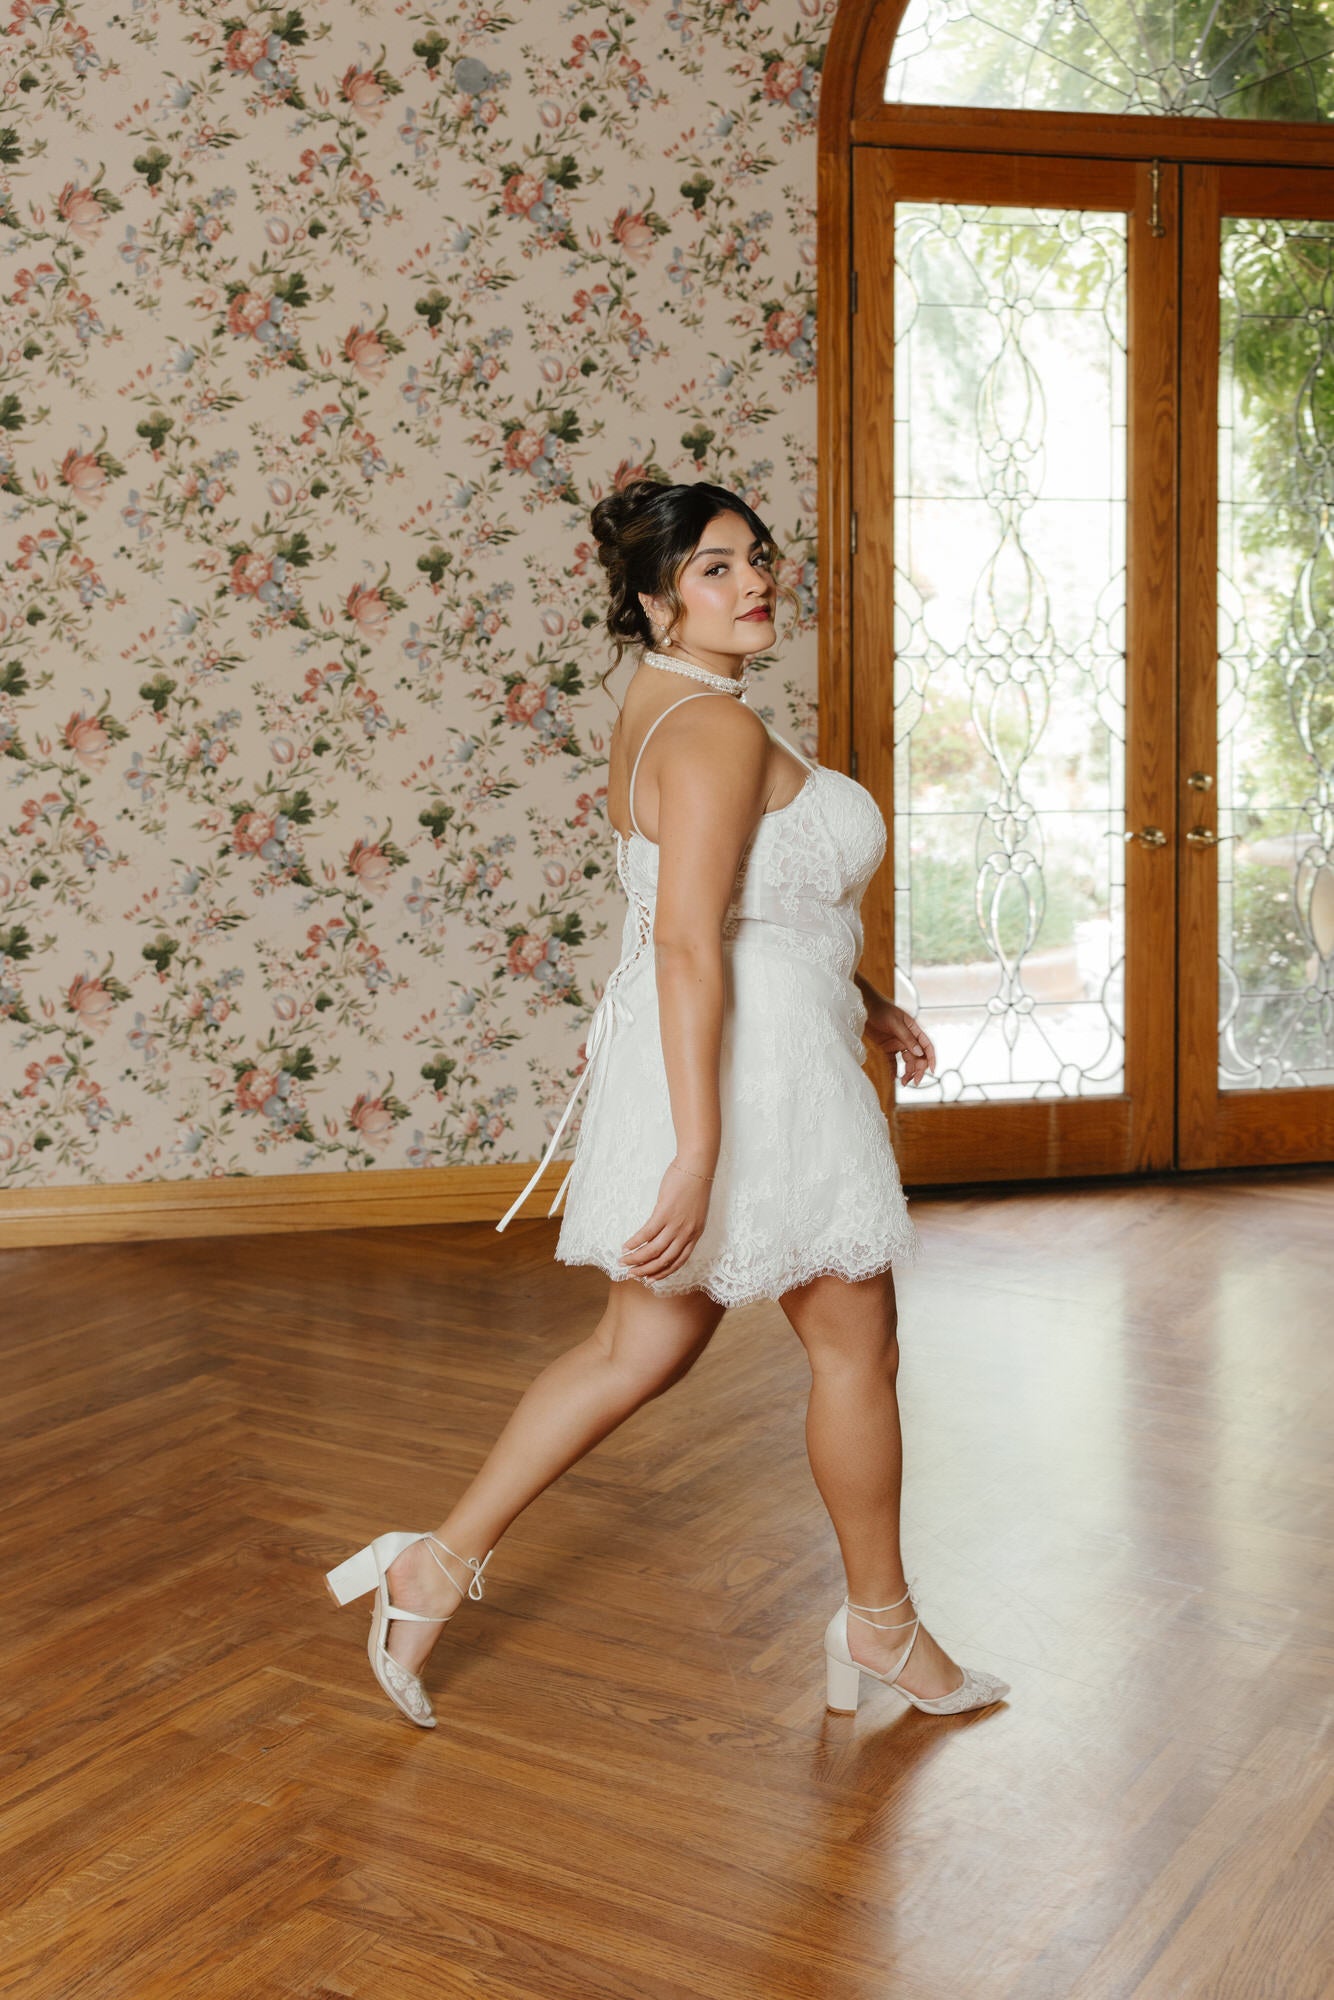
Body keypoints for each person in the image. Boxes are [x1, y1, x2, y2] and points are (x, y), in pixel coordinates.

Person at [325, 479, 1009, 1728]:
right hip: (747, 1068)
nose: (753, 582)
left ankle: (432, 1563)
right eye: (712, 568)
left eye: (756, 557)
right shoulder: (713, 731)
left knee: (637, 1347)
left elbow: (736, 903)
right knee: (854, 1349)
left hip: (739, 1036)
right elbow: (688, 940)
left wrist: (863, 997)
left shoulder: (667, 703)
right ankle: (882, 1627)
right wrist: (697, 1153)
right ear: (654, 600)